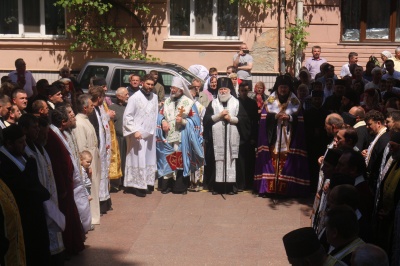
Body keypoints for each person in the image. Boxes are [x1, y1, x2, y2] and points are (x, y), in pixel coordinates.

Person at [0, 124, 51, 265]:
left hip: (35, 216)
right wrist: (31, 169)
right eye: (20, 142)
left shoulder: (22, 155)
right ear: (9, 143)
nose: (24, 145)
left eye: (24, 141)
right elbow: (23, 186)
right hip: (24, 217)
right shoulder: (4, 163)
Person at [20, 114, 66, 264]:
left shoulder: (40, 147)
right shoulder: (26, 151)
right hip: (40, 201)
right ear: (24, 130)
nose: (37, 131)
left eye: (38, 128)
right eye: (34, 128)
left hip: (50, 197)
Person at [254, 75, 310, 197]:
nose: (283, 90)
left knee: (287, 160)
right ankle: (270, 189)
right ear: (277, 88)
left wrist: (289, 117)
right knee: (273, 160)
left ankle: (287, 190)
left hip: (289, 137)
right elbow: (264, 121)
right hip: (274, 138)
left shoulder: (296, 103)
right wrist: (274, 117)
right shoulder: (269, 102)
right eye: (281, 87)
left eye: (285, 87)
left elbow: (299, 121)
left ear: (289, 88)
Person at [45, 106, 85, 255]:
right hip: (62, 185)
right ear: (63, 122)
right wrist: (62, 187)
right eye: (69, 117)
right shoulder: (53, 136)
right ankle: (69, 246)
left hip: (68, 183)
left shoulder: (62, 133)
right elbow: (58, 162)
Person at [156, 76, 203, 194]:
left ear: (181, 90)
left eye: (174, 88)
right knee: (168, 159)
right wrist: (163, 121)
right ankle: (167, 186)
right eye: (171, 88)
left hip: (182, 137)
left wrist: (183, 122)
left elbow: (196, 122)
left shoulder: (189, 103)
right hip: (168, 136)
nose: (172, 90)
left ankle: (179, 187)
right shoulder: (167, 101)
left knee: (180, 160)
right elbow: (160, 114)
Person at [203, 77, 248, 195]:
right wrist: (219, 116)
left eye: (225, 89)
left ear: (230, 90)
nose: (223, 91)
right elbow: (206, 120)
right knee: (217, 160)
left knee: (231, 160)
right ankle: (217, 187)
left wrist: (231, 119)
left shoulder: (237, 103)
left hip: (232, 139)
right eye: (221, 89)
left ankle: (231, 187)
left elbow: (245, 120)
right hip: (216, 140)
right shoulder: (213, 103)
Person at [123, 74, 159, 197]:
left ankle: (147, 183)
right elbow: (128, 116)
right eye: (147, 84)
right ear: (142, 83)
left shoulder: (154, 97)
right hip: (138, 134)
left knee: (149, 158)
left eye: (152, 84)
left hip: (150, 135)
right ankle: (136, 186)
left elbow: (155, 115)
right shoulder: (135, 98)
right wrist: (134, 131)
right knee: (138, 158)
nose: (149, 87)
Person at [72, 94, 102, 225]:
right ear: (84, 108)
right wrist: (87, 166)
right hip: (88, 159)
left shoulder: (85, 119)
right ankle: (89, 218)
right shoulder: (79, 122)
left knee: (95, 186)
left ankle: (94, 215)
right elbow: (81, 147)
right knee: (90, 188)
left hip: (93, 156)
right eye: (90, 105)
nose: (93, 107)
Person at [88, 85, 112, 215]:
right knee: (98, 176)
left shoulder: (98, 108)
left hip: (103, 147)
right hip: (96, 149)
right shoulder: (92, 111)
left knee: (103, 174)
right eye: (103, 97)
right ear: (99, 97)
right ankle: (100, 203)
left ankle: (105, 201)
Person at [362, 110, 390, 194]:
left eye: (369, 124)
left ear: (378, 123)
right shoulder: (377, 136)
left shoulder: (384, 139)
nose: (367, 127)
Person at [237, 82, 258, 190]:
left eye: (246, 91)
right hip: (238, 136)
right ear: (239, 91)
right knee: (239, 162)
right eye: (242, 91)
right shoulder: (235, 102)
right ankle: (240, 184)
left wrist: (254, 137)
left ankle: (249, 183)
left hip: (249, 137)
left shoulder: (252, 103)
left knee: (250, 161)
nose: (244, 93)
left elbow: (255, 121)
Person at [108, 87, 129, 189]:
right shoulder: (112, 107)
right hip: (117, 138)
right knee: (119, 160)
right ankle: (117, 182)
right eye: (126, 94)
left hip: (128, 138)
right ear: (119, 96)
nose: (128, 96)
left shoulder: (128, 106)